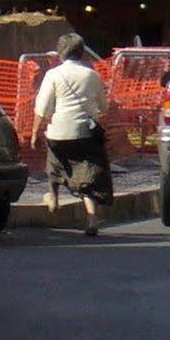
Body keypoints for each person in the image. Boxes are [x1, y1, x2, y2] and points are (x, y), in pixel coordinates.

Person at [32, 32, 114, 236]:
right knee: (87, 177)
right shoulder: (92, 75)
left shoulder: (53, 75)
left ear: (61, 52)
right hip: (85, 133)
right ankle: (92, 218)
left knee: (54, 167)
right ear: (82, 52)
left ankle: (53, 198)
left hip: (59, 132)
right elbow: (103, 106)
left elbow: (42, 108)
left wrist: (34, 133)